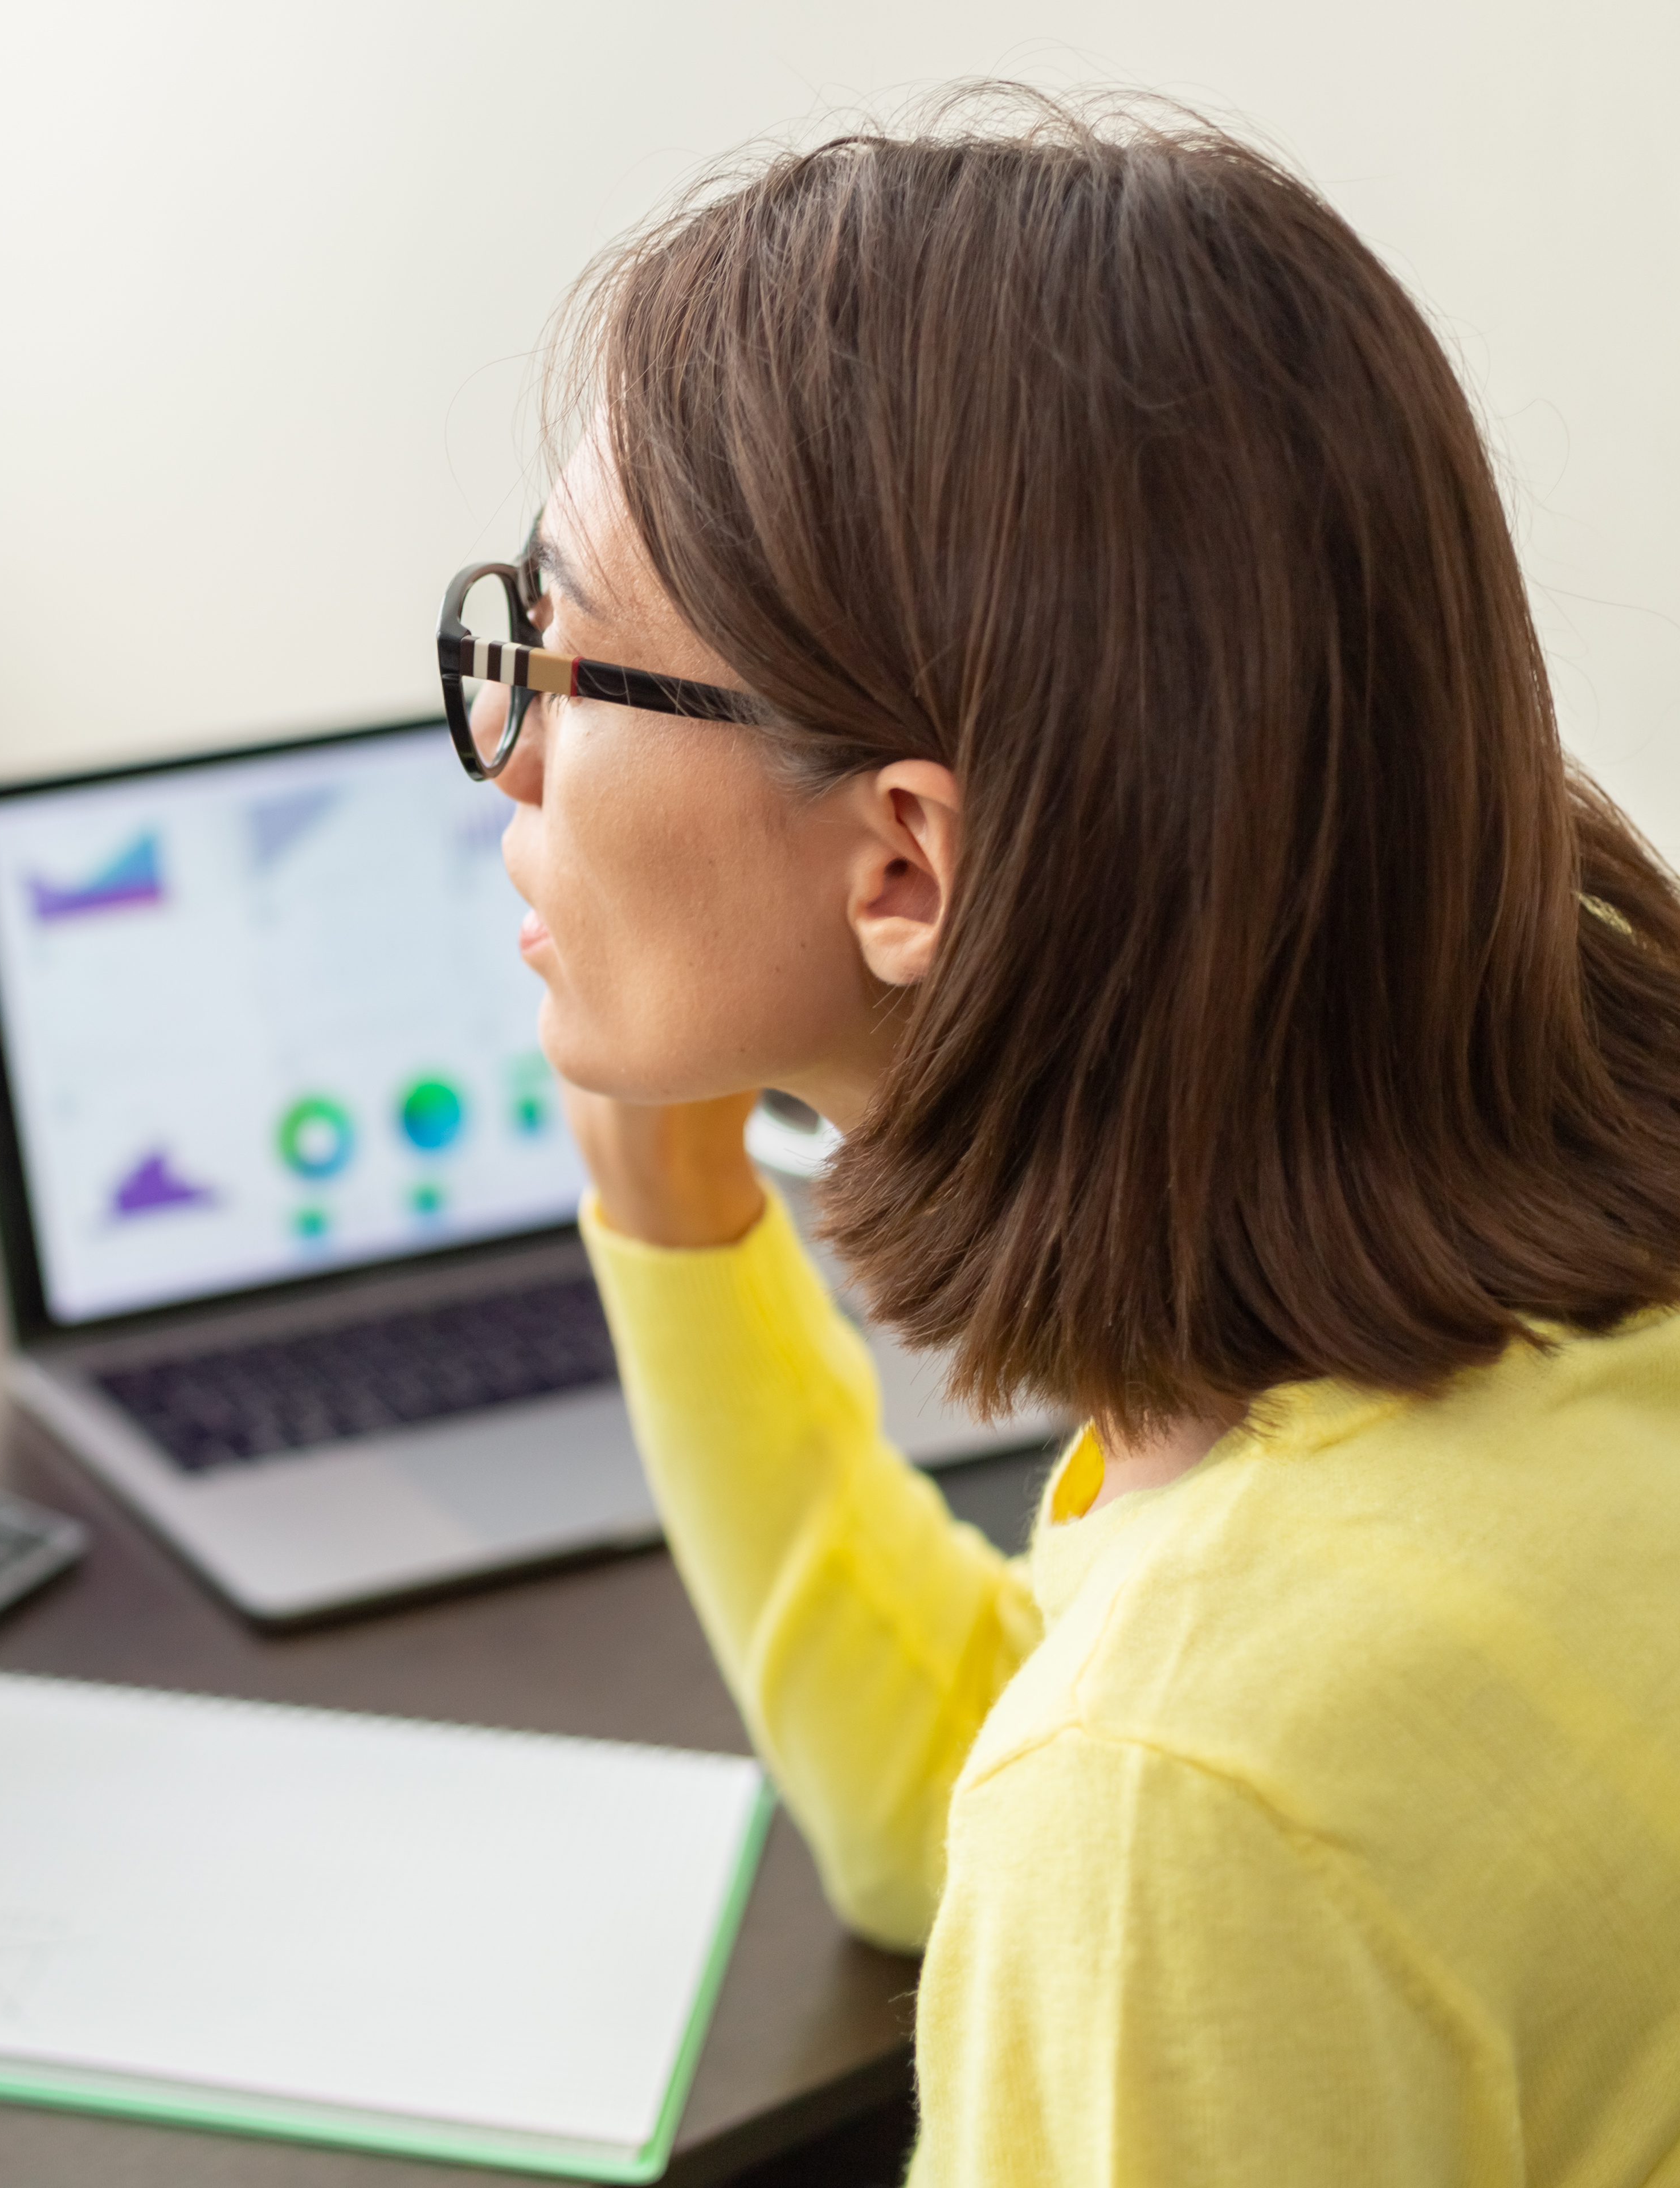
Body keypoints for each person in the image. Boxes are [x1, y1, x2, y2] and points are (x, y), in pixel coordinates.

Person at [456, 89, 1680, 2181]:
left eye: (561, 662)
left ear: (908, 870)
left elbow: (1145, 1812)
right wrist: (667, 1211)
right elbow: (983, 1797)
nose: (511, 755)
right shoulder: (1534, 1170)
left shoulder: (1193, 1795)